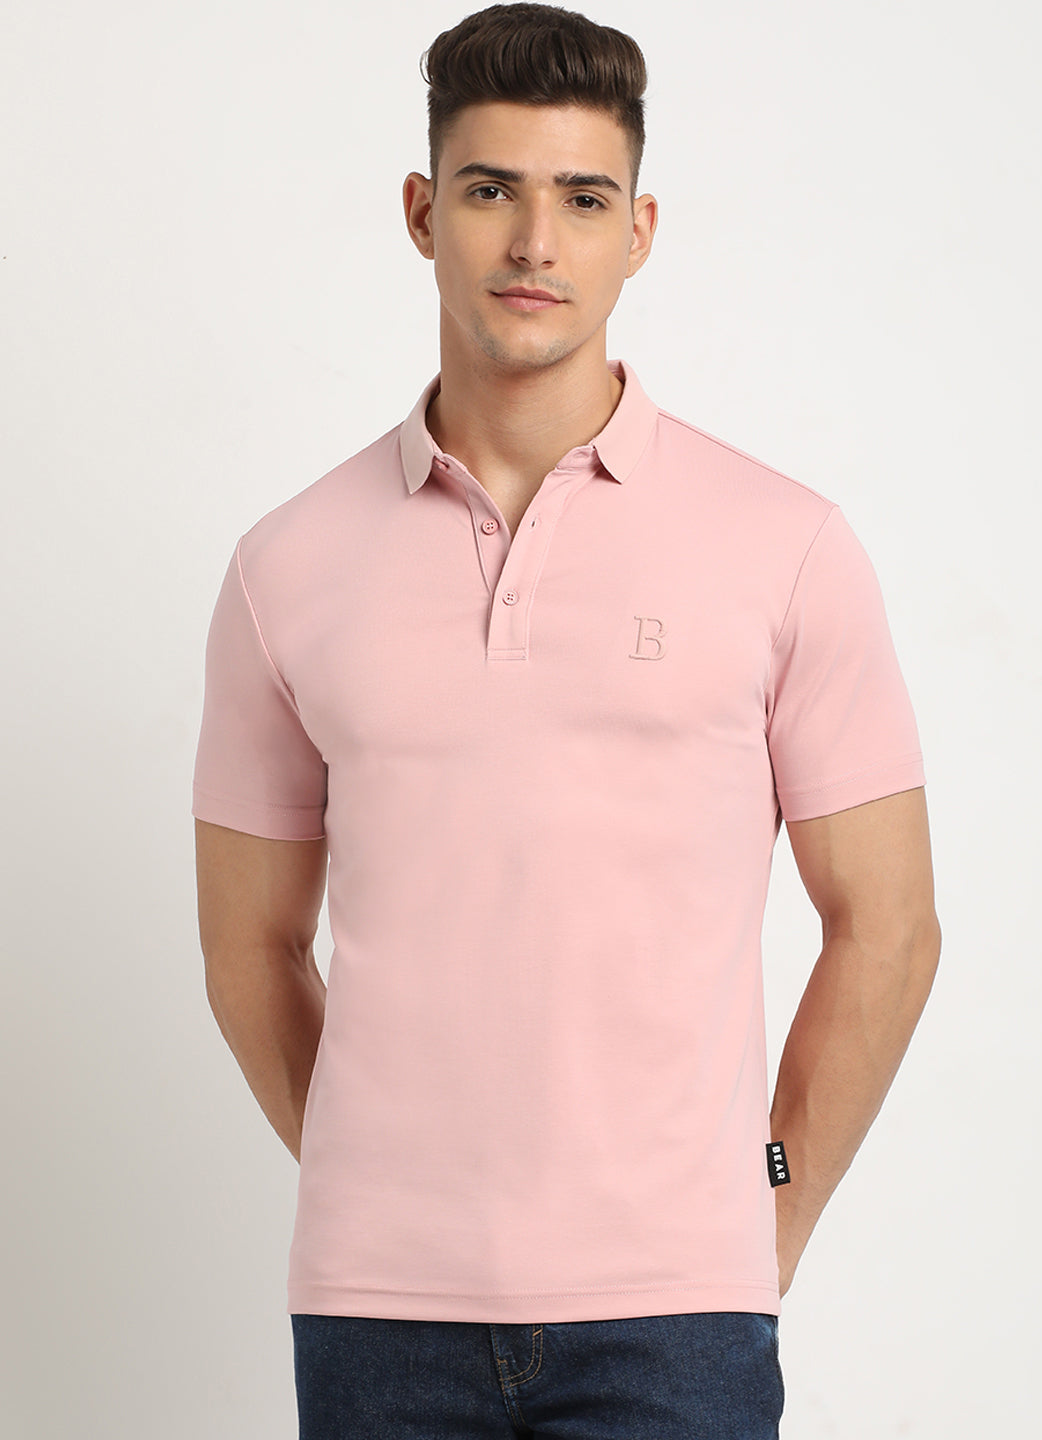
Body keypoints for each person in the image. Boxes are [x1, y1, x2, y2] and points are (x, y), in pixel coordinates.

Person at [192, 4, 941, 1436]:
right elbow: (248, 948)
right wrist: (378, 1189)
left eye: (584, 200)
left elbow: (891, 927)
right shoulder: (285, 567)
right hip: (376, 1325)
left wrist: (765, 1206)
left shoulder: (782, 546)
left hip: (679, 1322)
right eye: (492, 190)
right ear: (423, 213)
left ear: (639, 231)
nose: (536, 242)